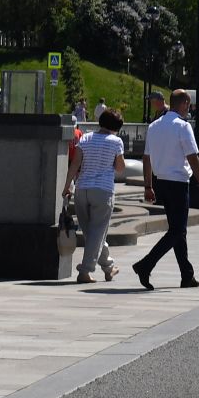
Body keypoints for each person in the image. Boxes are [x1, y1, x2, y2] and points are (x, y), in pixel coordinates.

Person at [135, 89, 199, 289]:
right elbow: (193, 158)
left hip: (161, 184)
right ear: (185, 103)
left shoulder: (153, 126)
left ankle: (187, 275)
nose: (189, 109)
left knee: (179, 231)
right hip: (178, 184)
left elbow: (146, 158)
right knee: (177, 230)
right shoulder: (182, 127)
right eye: (189, 105)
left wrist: (148, 185)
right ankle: (145, 265)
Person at [66, 108, 126, 283]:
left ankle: (109, 267)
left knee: (92, 233)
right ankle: (84, 271)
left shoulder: (85, 138)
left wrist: (67, 186)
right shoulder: (116, 141)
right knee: (98, 232)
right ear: (116, 127)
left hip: (82, 189)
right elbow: (121, 168)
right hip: (103, 191)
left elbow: (75, 164)